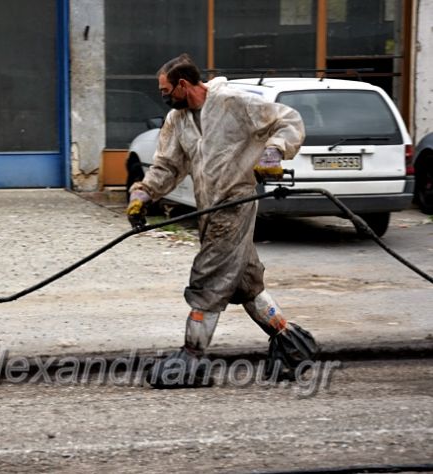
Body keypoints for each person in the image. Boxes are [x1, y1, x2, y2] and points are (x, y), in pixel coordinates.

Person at [127, 54, 319, 388]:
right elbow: (167, 166)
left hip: (236, 203)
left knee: (208, 280)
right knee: (245, 284)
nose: (164, 96)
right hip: (209, 208)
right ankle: (292, 344)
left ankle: (192, 357)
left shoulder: (233, 102)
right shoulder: (178, 119)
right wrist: (143, 194)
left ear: (183, 85)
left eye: (166, 90)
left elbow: (289, 121)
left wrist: (273, 152)